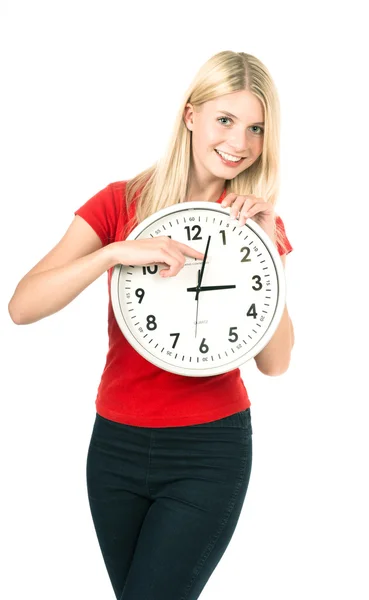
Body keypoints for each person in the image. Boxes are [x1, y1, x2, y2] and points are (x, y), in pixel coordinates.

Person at [8, 50, 294, 600]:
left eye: (256, 129)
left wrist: (269, 250)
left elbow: (276, 363)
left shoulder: (259, 223)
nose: (240, 143)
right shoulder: (121, 202)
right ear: (191, 116)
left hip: (208, 452)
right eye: (226, 121)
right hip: (114, 449)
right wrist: (112, 253)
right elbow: (22, 306)